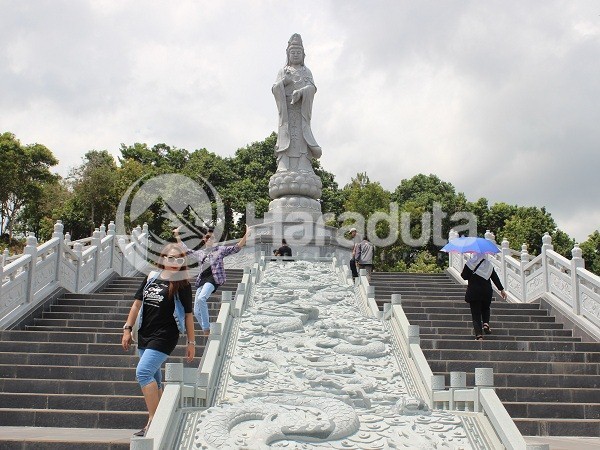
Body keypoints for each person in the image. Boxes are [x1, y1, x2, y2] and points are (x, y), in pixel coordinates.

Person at [121, 243, 195, 437]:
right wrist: (127, 329)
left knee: (143, 372)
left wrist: (191, 342)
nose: (175, 263)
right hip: (145, 334)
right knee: (154, 379)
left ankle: (155, 422)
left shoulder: (183, 284)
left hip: (165, 336)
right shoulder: (151, 277)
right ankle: (165, 420)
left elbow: (188, 315)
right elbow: (137, 305)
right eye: (171, 259)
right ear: (163, 259)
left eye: (179, 260)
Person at [174, 225, 250, 335]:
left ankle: (206, 328)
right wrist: (177, 234)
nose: (210, 239)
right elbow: (185, 250)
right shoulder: (200, 253)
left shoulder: (220, 250)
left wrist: (246, 235)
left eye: (212, 237)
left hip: (214, 278)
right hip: (202, 280)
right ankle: (207, 330)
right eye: (208, 237)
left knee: (201, 298)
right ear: (204, 239)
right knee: (196, 311)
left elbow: (236, 248)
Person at [272, 33, 322, 173]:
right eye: (293, 52)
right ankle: (284, 162)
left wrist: (302, 92)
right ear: (288, 54)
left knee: (301, 138)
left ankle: (303, 163)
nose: (295, 55)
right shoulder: (283, 71)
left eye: (298, 52)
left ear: (303, 55)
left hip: (301, 112)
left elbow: (312, 88)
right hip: (287, 113)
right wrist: (284, 82)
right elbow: (275, 89)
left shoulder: (306, 72)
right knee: (285, 135)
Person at [461, 253, 507, 340]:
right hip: (487, 292)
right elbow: (495, 278)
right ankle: (486, 323)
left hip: (474, 292)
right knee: (486, 308)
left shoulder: (470, 263)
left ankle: (479, 336)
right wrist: (501, 290)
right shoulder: (488, 265)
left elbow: (464, 276)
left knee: (476, 314)